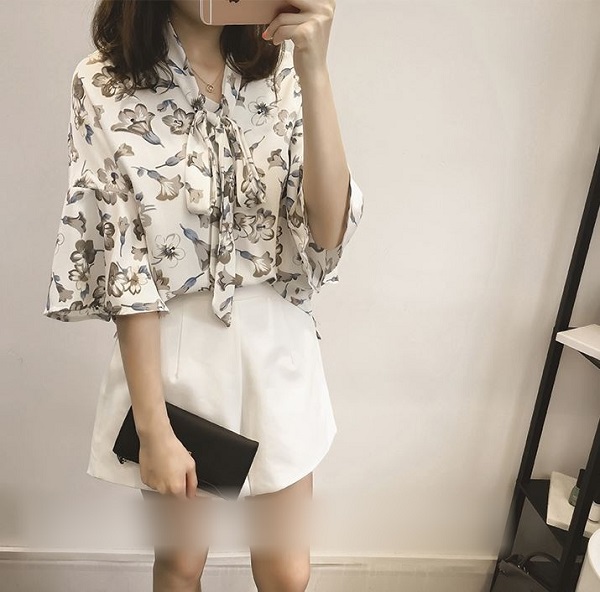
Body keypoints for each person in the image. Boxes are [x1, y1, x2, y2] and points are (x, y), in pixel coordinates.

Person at [42, 0, 364, 590]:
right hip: (170, 354)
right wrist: (152, 429)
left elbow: (326, 230)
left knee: (288, 572)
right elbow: (124, 264)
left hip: (276, 348)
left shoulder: (282, 69)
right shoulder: (103, 83)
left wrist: (316, 70)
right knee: (181, 563)